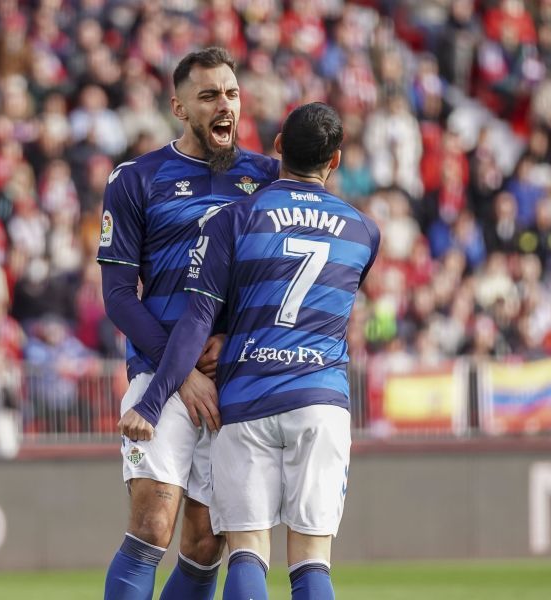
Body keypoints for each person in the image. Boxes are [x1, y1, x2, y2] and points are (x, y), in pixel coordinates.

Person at [125, 103, 380, 600]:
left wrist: (151, 403)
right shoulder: (364, 231)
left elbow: (197, 320)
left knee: (246, 551)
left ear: (278, 146)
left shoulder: (235, 219)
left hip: (246, 401)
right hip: (320, 400)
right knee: (311, 560)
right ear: (335, 160)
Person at [99, 47, 279, 600]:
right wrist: (180, 373)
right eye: (209, 96)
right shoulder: (137, 178)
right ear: (179, 108)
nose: (225, 105)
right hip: (160, 376)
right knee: (152, 525)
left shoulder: (266, 178)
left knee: (204, 546)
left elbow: (275, 282)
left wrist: (234, 342)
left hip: (233, 381)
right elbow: (118, 297)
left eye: (231, 93)